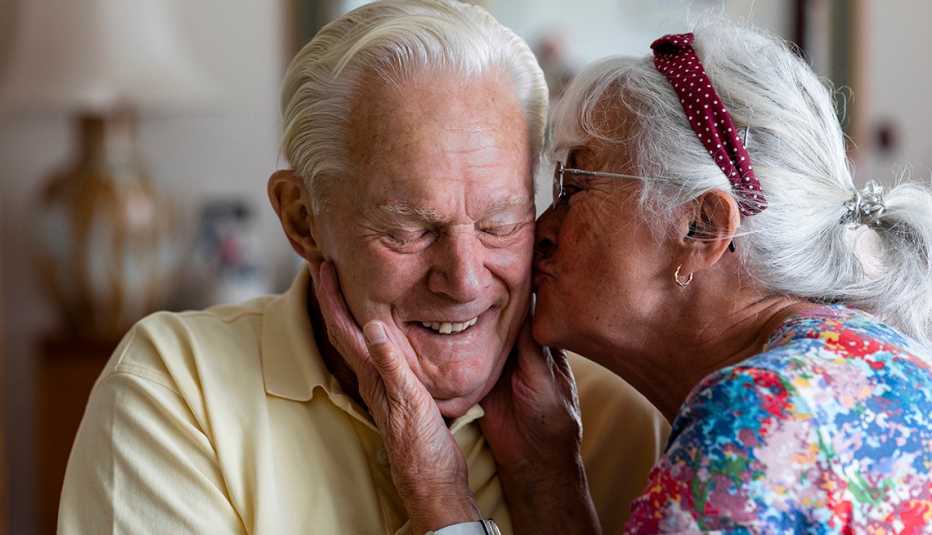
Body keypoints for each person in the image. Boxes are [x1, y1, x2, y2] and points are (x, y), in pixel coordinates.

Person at [57, 1, 669, 533]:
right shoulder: (177, 391)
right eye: (410, 229)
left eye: (499, 224)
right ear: (302, 219)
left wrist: (549, 493)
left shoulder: (619, 418)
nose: (464, 279)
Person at [321, 21, 932, 534]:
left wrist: (438, 496)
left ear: (700, 227)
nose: (543, 227)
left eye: (575, 185)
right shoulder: (856, 365)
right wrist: (547, 479)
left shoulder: (762, 414)